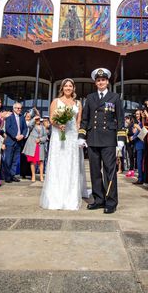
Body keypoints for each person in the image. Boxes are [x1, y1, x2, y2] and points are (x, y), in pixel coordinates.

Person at [79, 68, 126, 214]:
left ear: (107, 82)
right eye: (98, 80)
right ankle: (98, 200)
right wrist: (81, 136)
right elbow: (85, 118)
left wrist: (121, 139)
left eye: (103, 80)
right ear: (95, 83)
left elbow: (120, 119)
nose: (101, 82)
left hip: (108, 139)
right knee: (94, 171)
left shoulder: (115, 97)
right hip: (93, 139)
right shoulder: (90, 97)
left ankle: (111, 202)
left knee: (109, 171)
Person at [40, 78, 88, 210]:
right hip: (59, 136)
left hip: (72, 137)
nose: (68, 88)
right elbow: (51, 118)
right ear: (62, 88)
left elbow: (78, 122)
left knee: (71, 164)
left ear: (73, 88)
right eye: (66, 86)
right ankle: (55, 196)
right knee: (58, 163)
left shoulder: (78, 103)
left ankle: (70, 196)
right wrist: (58, 124)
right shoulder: (56, 101)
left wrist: (80, 138)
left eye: (70, 86)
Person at [3, 102, 27, 182]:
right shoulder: (10, 117)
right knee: (8, 160)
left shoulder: (22, 117)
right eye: (17, 108)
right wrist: (15, 136)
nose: (19, 110)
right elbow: (8, 128)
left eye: (20, 108)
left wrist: (22, 135)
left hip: (19, 142)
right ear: (14, 109)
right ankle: (7, 177)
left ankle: (12, 175)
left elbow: (25, 128)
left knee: (15, 160)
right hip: (11, 141)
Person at [23, 110, 47, 182]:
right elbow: (29, 124)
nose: (38, 120)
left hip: (40, 146)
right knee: (33, 162)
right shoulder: (32, 126)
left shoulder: (43, 127)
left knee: (41, 161)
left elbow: (45, 137)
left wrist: (40, 139)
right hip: (33, 146)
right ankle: (33, 175)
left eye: (39, 119)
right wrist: (34, 118)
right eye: (36, 119)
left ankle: (41, 176)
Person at [131, 109, 147, 185]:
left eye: (138, 114)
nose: (137, 115)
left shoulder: (142, 123)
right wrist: (133, 136)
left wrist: (138, 128)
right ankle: (140, 178)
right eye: (136, 114)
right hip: (138, 145)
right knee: (139, 162)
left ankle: (141, 179)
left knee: (140, 162)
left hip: (141, 145)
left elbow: (144, 133)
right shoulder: (139, 123)